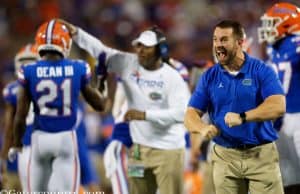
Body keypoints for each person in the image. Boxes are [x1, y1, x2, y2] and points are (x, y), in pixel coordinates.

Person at [60, 19, 190, 194]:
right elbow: (102, 52)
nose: (141, 52)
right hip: (127, 148)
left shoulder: (177, 73)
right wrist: (77, 33)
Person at [184, 20, 285, 194]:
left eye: (224, 40)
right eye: (215, 40)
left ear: (240, 43)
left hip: (260, 154)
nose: (218, 45)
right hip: (224, 155)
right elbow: (190, 114)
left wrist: (243, 117)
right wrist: (202, 128)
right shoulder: (209, 76)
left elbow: (278, 105)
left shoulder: (261, 70)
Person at [12, 19, 106, 192]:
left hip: (39, 140)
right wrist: (100, 88)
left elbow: (20, 116)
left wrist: (17, 143)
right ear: (65, 43)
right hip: (65, 138)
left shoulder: (28, 70)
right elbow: (99, 105)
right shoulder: (78, 67)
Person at [258, 2, 300, 194]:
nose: (268, 28)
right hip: (283, 118)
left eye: (273, 23)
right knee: (286, 173)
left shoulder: (297, 42)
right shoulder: (273, 47)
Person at [1, 43, 39, 191]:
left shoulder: (12, 89)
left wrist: (2, 158)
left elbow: (9, 129)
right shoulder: (56, 82)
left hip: (27, 150)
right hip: (52, 143)